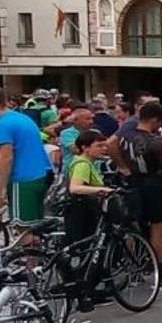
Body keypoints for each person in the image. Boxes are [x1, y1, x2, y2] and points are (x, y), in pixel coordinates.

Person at [119, 102, 162, 288]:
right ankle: (160, 272)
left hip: (132, 183)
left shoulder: (125, 137)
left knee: (133, 227)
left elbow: (110, 144)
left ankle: (132, 267)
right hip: (154, 186)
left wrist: (122, 166)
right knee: (158, 229)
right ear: (155, 120)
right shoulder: (157, 142)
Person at [0, 87, 53, 223]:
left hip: (22, 178)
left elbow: (6, 158)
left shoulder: (3, 124)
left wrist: (1, 190)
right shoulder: (21, 118)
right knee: (34, 226)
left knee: (22, 228)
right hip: (39, 174)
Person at [62, 128, 115, 304]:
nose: (103, 149)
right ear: (85, 148)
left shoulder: (85, 162)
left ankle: (87, 289)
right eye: (98, 146)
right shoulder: (83, 164)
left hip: (83, 211)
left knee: (88, 250)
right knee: (89, 251)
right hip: (82, 212)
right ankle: (86, 291)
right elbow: (75, 188)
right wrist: (102, 189)